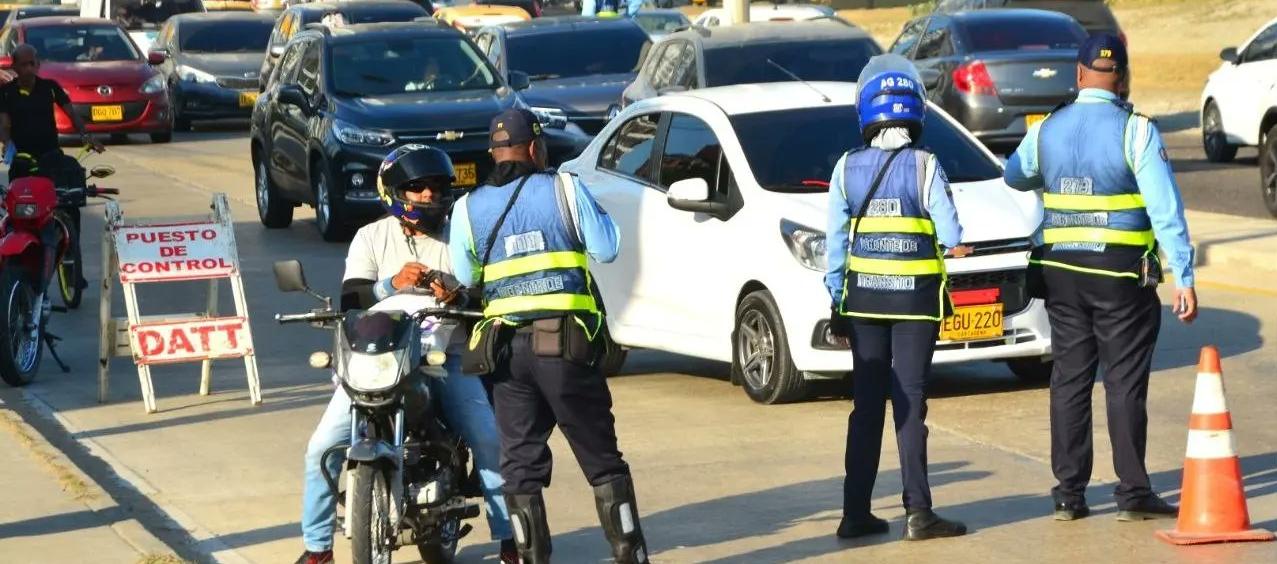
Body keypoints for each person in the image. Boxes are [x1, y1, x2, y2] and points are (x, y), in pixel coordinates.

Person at [1003, 35, 1197, 522]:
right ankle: (1132, 492)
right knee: (1124, 382)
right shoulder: (1137, 131)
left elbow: (1013, 174)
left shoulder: (1046, 128)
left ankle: (1070, 493)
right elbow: (1165, 209)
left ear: (1079, 74)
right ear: (1122, 78)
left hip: (1062, 273)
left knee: (1069, 379)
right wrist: (1184, 275)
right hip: (1119, 277)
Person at [295, 145, 518, 564]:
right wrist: (389, 285)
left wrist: (458, 292)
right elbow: (351, 299)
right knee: (320, 448)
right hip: (374, 362)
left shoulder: (462, 235)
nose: (430, 196)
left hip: (442, 360)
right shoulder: (371, 237)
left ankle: (510, 540)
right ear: (396, 193)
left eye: (436, 187)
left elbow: (487, 294)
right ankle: (317, 550)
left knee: (488, 437)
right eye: (418, 188)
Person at [449, 109, 649, 564]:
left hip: (506, 354)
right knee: (601, 459)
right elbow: (607, 246)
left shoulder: (468, 208)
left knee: (519, 466)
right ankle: (629, 556)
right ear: (536, 149)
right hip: (564, 348)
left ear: (493, 153)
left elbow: (466, 273)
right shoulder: (564, 188)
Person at [824, 54, 971, 542]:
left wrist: (835, 300)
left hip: (863, 305)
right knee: (910, 401)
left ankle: (854, 512)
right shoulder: (927, 167)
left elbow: (834, 250)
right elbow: (951, 234)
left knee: (865, 408)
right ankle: (919, 512)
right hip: (916, 307)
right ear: (914, 112)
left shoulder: (845, 168)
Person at [0, 44, 105, 182]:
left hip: (51, 156)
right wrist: (7, 144)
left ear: (38, 64)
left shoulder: (50, 87)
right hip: (22, 160)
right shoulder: (6, 92)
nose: (29, 68)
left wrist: (85, 135)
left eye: (32, 63)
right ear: (14, 67)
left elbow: (72, 113)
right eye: (24, 65)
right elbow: (4, 124)